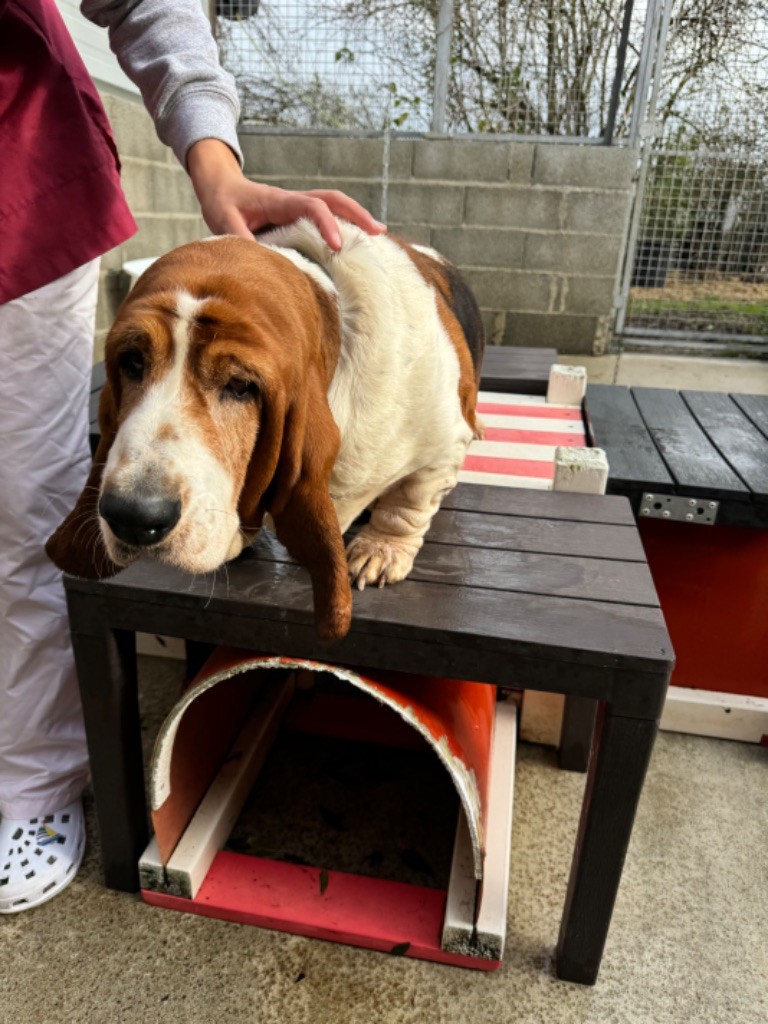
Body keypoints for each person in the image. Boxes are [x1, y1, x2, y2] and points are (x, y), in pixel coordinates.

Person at [0, 0, 385, 913]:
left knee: (22, 502)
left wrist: (217, 168)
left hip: (13, 184)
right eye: (129, 368)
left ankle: (31, 787)